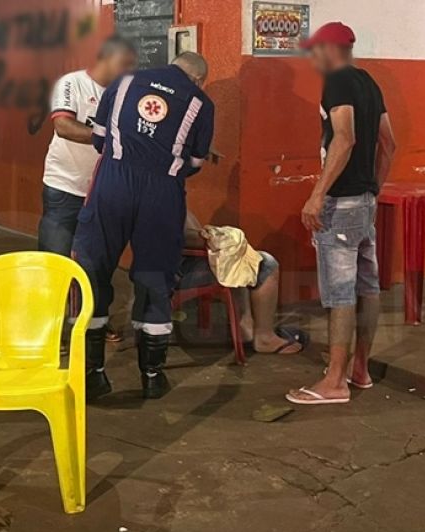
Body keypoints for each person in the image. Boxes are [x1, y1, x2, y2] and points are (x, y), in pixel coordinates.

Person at [73, 52, 216, 401]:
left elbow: (99, 139)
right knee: (155, 275)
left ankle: (93, 375)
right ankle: (151, 377)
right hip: (162, 193)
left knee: (93, 269)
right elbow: (195, 162)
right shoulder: (201, 102)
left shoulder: (123, 82)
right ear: (199, 79)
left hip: (113, 183)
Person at [287, 22, 397, 405]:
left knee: (340, 294)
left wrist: (318, 195)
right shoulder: (369, 82)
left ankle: (334, 382)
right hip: (364, 202)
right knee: (367, 287)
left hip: (342, 203)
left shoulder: (336, 81)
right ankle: (360, 369)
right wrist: (373, 186)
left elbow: (344, 137)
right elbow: (389, 143)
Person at [39, 36, 137, 256]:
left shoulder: (123, 94)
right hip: (64, 186)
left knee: (90, 263)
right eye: (124, 63)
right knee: (55, 260)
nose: (128, 70)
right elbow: (63, 126)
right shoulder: (71, 83)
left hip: (100, 192)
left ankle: (82, 292)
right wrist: (110, 139)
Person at [181, 211, 305, 355]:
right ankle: (265, 338)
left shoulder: (161, 194)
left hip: (169, 268)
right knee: (265, 264)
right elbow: (183, 237)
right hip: (178, 271)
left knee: (238, 261)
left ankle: (245, 326)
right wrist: (219, 236)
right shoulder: (163, 194)